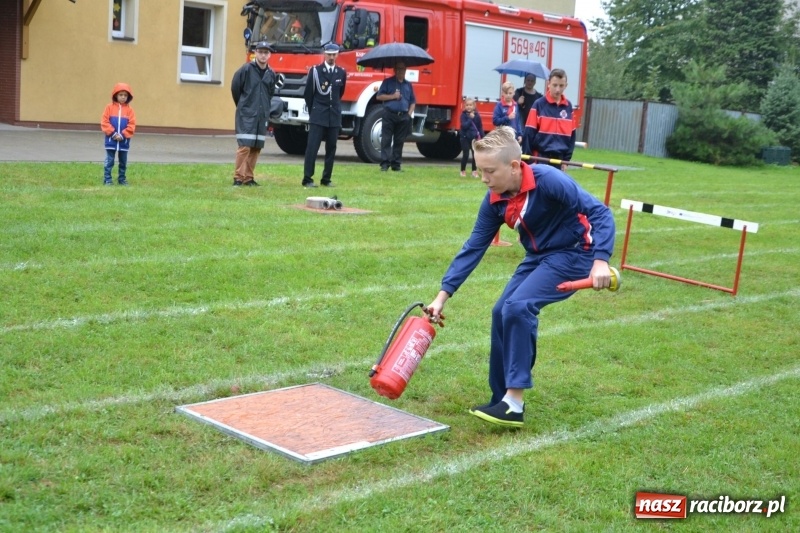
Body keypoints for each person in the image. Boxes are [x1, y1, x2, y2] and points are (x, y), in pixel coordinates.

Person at [425, 126, 615, 428]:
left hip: (576, 253)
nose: (484, 178)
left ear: (514, 166)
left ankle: (514, 402)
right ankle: (501, 398)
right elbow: (474, 247)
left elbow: (601, 214)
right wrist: (441, 297)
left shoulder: (549, 181)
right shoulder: (494, 199)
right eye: (480, 170)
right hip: (539, 257)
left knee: (518, 307)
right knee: (501, 310)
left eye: (490, 171)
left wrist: (601, 261)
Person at [230, 41, 280, 186]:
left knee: (256, 147)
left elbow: (270, 93)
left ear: (269, 55)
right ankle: (238, 177)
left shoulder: (271, 73)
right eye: (261, 52)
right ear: (255, 53)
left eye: (266, 53)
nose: (263, 55)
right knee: (244, 146)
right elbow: (235, 88)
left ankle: (249, 178)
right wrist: (243, 105)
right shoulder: (246, 69)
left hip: (261, 115)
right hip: (246, 114)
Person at [302, 43, 346, 188]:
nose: (332, 57)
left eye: (334, 54)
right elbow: (308, 94)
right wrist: (314, 112)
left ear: (337, 55)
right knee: (312, 147)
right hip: (318, 115)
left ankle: (326, 178)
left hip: (333, 115)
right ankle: (307, 178)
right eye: (329, 54)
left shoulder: (341, 72)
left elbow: (340, 94)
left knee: (331, 147)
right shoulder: (315, 71)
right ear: (324, 54)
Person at [524, 68, 575, 170]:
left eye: (561, 86)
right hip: (540, 157)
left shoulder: (568, 106)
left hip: (560, 159)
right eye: (555, 85)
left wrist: (566, 160)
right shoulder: (539, 104)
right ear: (548, 84)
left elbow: (572, 136)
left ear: (566, 85)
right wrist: (529, 161)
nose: (558, 89)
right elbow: (529, 133)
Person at [375, 62, 416, 172]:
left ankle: (396, 164)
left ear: (405, 70)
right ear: (394, 69)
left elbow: (413, 101)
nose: (400, 71)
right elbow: (379, 96)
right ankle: (384, 164)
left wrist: (408, 114)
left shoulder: (408, 85)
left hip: (403, 116)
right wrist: (393, 96)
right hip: (389, 114)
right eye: (398, 69)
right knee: (386, 139)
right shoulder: (388, 82)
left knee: (399, 141)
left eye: (402, 69)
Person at [100, 83, 136, 186]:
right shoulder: (109, 108)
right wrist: (113, 133)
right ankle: (107, 179)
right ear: (116, 95)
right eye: (121, 95)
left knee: (123, 162)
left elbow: (132, 125)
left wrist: (123, 135)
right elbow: (104, 122)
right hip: (111, 140)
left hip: (124, 142)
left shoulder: (130, 110)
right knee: (109, 161)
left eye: (125, 95)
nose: (123, 97)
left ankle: (122, 179)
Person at [458, 97, 484, 177]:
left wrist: (482, 137)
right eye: (467, 105)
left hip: (474, 138)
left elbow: (479, 127)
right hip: (465, 137)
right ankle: (462, 170)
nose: (469, 107)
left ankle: (474, 170)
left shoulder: (477, 115)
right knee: (465, 154)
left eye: (470, 105)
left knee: (475, 155)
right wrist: (470, 119)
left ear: (474, 106)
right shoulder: (463, 115)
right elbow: (464, 126)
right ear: (464, 106)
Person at [492, 81, 523, 146]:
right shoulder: (499, 105)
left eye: (510, 93)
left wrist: (520, 134)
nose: (508, 95)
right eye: (506, 93)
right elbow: (495, 121)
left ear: (514, 93)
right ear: (502, 93)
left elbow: (518, 121)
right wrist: (508, 118)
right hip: (502, 137)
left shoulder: (515, 105)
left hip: (514, 137)